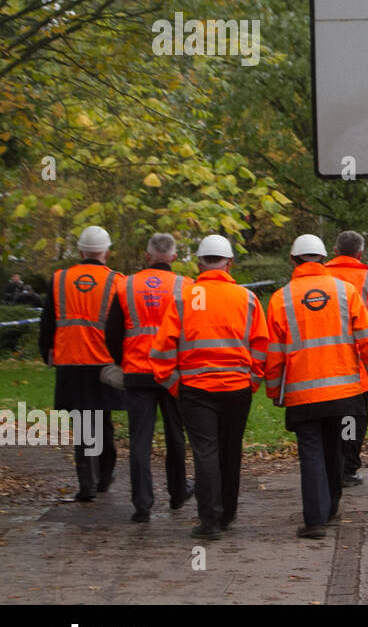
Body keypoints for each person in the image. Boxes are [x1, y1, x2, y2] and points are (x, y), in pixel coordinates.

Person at [263, 234, 368, 539]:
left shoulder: (281, 298)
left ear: (292, 260)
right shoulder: (346, 291)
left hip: (303, 394)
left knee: (311, 451)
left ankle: (315, 519)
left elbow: (274, 354)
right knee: (335, 448)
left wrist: (274, 390)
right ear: (322, 258)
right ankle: (330, 507)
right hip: (345, 392)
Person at [152, 234, 267, 540]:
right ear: (229, 263)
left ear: (200, 263)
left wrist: (175, 385)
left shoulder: (182, 298)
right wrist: (253, 380)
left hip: (196, 389)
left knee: (205, 452)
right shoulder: (248, 299)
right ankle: (227, 513)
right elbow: (261, 347)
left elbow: (162, 350)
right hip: (237, 388)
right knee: (231, 450)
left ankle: (210, 521)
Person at [39, 226, 126, 502]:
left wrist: (47, 353)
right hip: (104, 363)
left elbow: (47, 322)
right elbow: (122, 325)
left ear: (80, 251)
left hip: (70, 360)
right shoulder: (117, 281)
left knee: (83, 423)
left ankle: (87, 483)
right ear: (107, 252)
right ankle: (104, 476)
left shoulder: (59, 279)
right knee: (103, 421)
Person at [117, 233, 192, 522]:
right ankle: (177, 493)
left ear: (147, 256)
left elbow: (114, 331)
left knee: (140, 440)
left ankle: (142, 505)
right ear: (173, 257)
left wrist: (118, 363)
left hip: (136, 372)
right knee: (176, 435)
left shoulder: (125, 285)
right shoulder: (187, 286)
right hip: (173, 373)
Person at [324, 230, 368, 488]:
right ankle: (347, 466)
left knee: (325, 416)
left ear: (334, 251)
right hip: (357, 365)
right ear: (360, 253)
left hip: (319, 363)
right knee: (351, 418)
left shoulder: (318, 278)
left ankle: (327, 463)